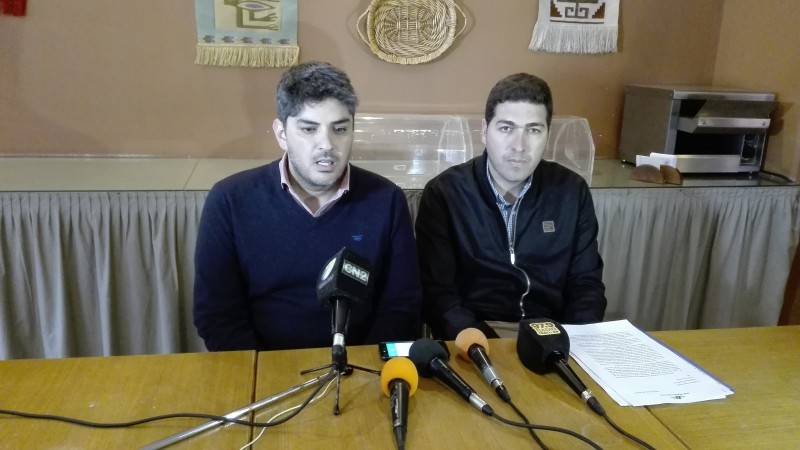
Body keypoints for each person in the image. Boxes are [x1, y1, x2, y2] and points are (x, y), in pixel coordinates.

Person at [193, 61, 422, 351]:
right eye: (309, 129)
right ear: (281, 134)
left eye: (340, 129)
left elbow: (402, 307)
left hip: (361, 366)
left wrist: (361, 367)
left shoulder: (386, 200)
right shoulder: (229, 200)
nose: (326, 144)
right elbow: (217, 316)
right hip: (263, 367)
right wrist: (267, 371)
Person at [415, 73, 606, 340]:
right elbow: (438, 294)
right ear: (484, 131)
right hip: (473, 337)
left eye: (533, 130)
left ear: (547, 134)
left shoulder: (572, 191)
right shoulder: (445, 193)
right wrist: (481, 345)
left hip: (551, 334)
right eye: (506, 128)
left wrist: (575, 341)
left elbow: (586, 285)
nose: (519, 146)